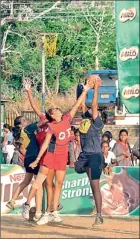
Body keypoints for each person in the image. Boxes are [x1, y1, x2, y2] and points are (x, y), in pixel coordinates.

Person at [22, 76, 95, 224]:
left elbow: (76, 104)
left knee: (59, 183)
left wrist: (85, 90)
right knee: (42, 182)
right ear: (52, 115)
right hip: (50, 154)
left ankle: (52, 211)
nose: (58, 109)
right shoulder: (50, 126)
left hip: (62, 155)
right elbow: (45, 143)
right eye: (55, 109)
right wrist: (37, 159)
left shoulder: (67, 118)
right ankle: (29, 205)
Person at [75, 75, 106, 226]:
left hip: (94, 155)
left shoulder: (97, 123)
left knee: (95, 186)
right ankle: (97, 207)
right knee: (91, 184)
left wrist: (97, 88)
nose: (88, 110)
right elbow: (82, 105)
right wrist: (85, 90)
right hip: (85, 155)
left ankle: (99, 215)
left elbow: (93, 106)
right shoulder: (85, 120)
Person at [5, 116, 48, 222]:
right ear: (20, 124)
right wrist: (51, 118)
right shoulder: (27, 128)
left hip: (28, 158)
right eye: (24, 120)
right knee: (38, 185)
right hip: (34, 157)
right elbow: (41, 123)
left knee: (26, 181)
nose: (27, 121)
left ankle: (13, 200)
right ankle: (38, 211)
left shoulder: (19, 132)